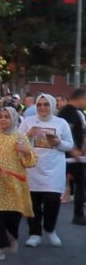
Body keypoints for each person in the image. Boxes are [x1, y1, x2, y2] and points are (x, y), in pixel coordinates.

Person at [0, 106, 37, 261]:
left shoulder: (20, 137)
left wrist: (25, 151)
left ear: (14, 119)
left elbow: (32, 161)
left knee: (13, 215)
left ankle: (13, 236)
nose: (3, 119)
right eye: (1, 116)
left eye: (7, 117)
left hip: (14, 183)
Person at [19, 93, 73, 247]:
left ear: (52, 105)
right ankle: (35, 233)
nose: (42, 107)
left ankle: (50, 229)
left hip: (54, 169)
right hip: (33, 168)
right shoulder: (28, 121)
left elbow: (69, 144)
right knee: (33, 203)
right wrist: (28, 135)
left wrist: (58, 142)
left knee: (52, 201)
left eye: (46, 104)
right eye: (39, 105)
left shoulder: (61, 123)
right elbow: (16, 141)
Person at [58, 88, 86, 225]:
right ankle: (78, 215)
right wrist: (74, 150)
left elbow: (81, 132)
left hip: (73, 157)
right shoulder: (68, 112)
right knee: (79, 183)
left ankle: (79, 214)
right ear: (81, 98)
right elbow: (65, 132)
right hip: (67, 156)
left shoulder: (76, 113)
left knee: (81, 183)